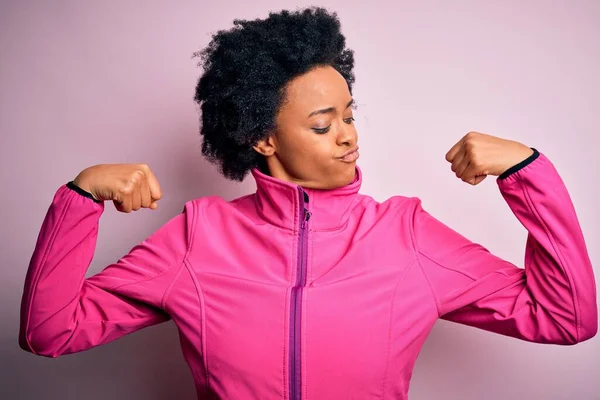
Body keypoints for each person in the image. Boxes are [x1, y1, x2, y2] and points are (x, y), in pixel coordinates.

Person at [18, 6, 597, 400]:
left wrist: (527, 173)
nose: (349, 136)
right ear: (262, 138)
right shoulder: (199, 237)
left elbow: (567, 318)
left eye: (349, 115)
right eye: (323, 125)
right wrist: (80, 197)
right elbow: (52, 332)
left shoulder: (407, 235)